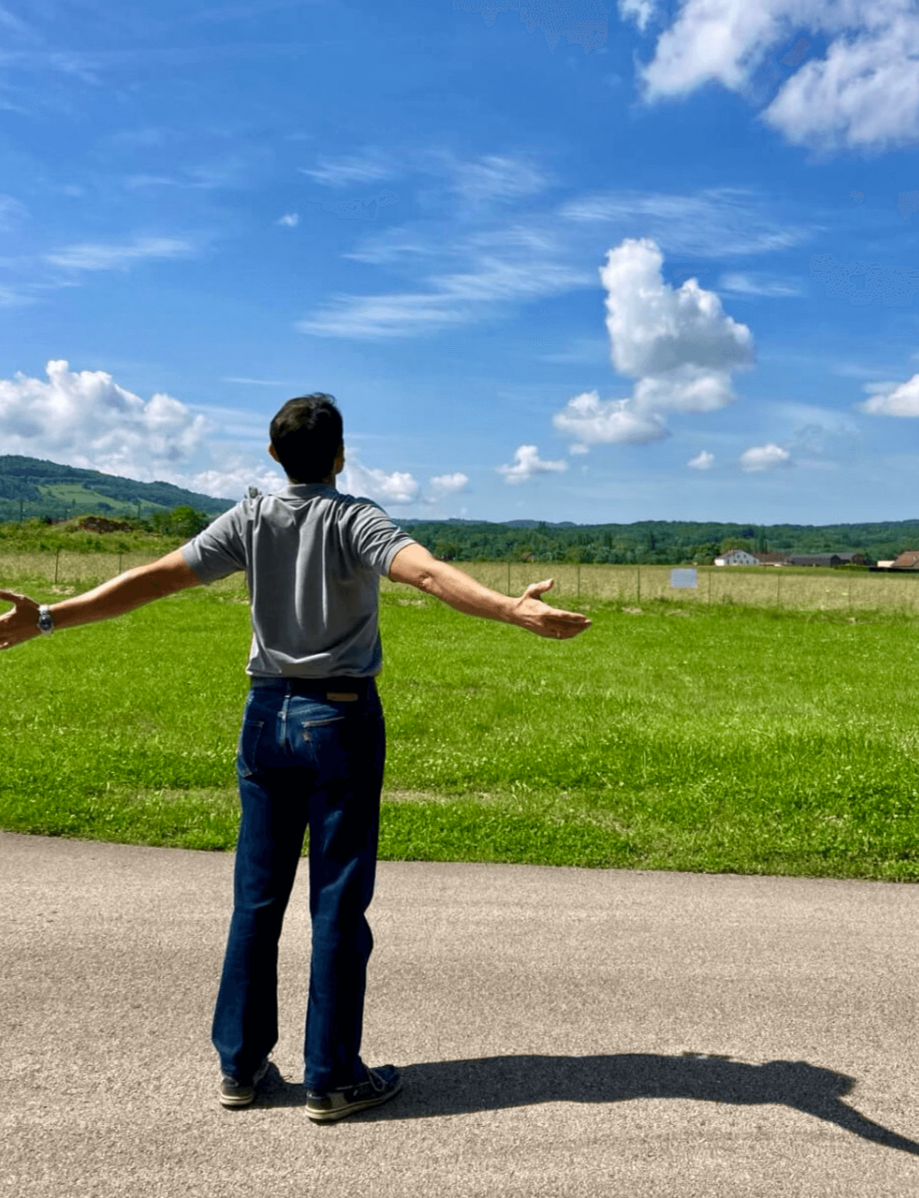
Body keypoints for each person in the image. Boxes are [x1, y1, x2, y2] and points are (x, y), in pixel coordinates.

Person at [0, 393, 592, 1120]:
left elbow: (154, 578)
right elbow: (428, 575)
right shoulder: (355, 518)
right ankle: (334, 1078)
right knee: (337, 898)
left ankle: (241, 1069)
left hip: (264, 718)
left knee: (257, 896)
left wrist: (51, 617)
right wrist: (511, 609)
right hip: (340, 719)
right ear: (341, 456)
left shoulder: (250, 518)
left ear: (274, 455)